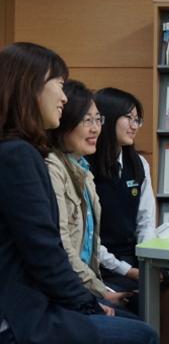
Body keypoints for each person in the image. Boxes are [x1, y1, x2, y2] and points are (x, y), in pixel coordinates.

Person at [0, 42, 157, 344]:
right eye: (58, 85)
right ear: (27, 87)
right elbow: (45, 250)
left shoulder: (54, 161)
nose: (63, 96)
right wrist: (87, 303)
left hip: (36, 299)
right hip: (20, 315)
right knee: (143, 335)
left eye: (98, 119)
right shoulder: (20, 155)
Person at [87, 87, 169, 344]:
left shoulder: (139, 164)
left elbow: (146, 221)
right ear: (107, 117)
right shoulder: (87, 166)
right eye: (128, 118)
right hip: (99, 264)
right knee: (128, 303)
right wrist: (129, 272)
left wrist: (147, 263)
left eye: (137, 119)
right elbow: (87, 238)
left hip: (135, 257)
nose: (134, 125)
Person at [46, 80, 137, 312]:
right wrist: (100, 294)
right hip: (66, 294)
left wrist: (101, 291)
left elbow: (90, 246)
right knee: (143, 332)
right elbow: (63, 248)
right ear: (64, 122)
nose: (96, 128)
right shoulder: (52, 167)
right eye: (87, 120)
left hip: (87, 286)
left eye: (98, 120)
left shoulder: (84, 171)